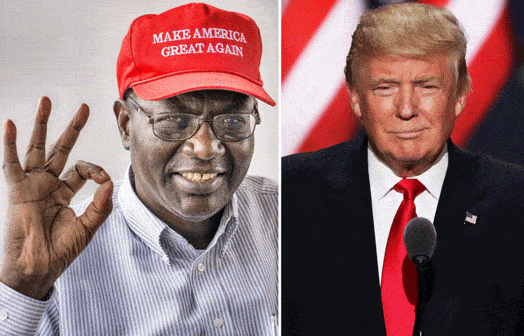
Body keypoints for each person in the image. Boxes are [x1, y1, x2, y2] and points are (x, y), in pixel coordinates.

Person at [0, 3, 278, 335]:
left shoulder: (289, 212)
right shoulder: (56, 256)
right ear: (125, 125)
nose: (205, 147)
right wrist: (21, 291)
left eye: (233, 120)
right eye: (175, 120)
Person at [282, 3, 524, 336]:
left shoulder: (515, 203)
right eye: (386, 87)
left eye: (427, 86)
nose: (406, 108)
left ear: (459, 95)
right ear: (355, 97)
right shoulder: (288, 198)